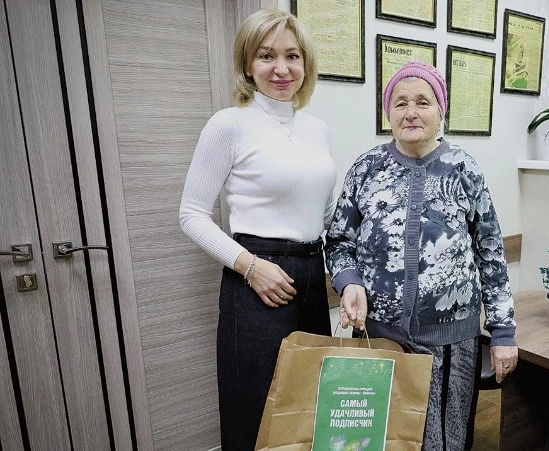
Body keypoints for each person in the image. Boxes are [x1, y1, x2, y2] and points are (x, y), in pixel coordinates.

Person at [324, 61, 518, 450]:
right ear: (388, 113)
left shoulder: (464, 169)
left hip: (452, 343)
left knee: (446, 441)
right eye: (400, 103)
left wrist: (502, 331)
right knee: (381, 439)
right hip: (379, 338)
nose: (411, 112)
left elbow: (491, 253)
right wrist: (348, 282)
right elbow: (339, 241)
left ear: (440, 111)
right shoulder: (366, 169)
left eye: (423, 102)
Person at [179, 8, 335, 450]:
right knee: (255, 412)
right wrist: (250, 267)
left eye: (292, 56)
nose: (281, 69)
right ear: (248, 64)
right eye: (267, 56)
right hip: (256, 277)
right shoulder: (229, 124)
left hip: (312, 272)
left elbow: (325, 214)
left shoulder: (318, 129)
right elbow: (191, 214)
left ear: (306, 63)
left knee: (310, 407)